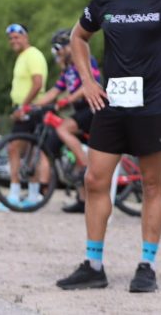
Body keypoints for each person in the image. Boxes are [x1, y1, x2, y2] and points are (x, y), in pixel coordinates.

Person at [57, 0, 161, 293]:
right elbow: (79, 37)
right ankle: (93, 265)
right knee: (95, 181)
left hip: (154, 103)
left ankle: (147, 266)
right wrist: (88, 82)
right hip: (111, 103)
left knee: (153, 185)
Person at [32, 29, 101, 213]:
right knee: (73, 152)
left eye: (58, 48)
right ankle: (82, 200)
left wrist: (67, 100)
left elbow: (91, 83)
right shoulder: (68, 71)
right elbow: (54, 92)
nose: (57, 53)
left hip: (93, 107)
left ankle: (86, 163)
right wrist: (33, 106)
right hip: (82, 111)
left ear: (70, 46)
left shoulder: (86, 61)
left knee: (63, 129)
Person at [0, 23, 48, 212]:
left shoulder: (32, 55)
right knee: (30, 152)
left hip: (30, 109)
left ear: (26, 37)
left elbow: (38, 83)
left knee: (14, 148)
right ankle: (32, 194)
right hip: (26, 108)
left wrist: (23, 107)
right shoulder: (23, 57)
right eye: (11, 38)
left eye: (17, 37)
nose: (13, 41)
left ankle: (15, 194)